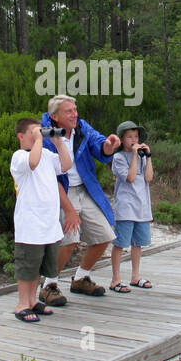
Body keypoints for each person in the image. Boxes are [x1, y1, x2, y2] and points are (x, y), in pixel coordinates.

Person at [37, 95, 121, 304]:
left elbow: (99, 145)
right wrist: (70, 211)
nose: (74, 114)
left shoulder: (81, 128)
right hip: (61, 192)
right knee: (69, 239)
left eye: (75, 109)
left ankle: (80, 277)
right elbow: (51, 178)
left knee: (104, 235)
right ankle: (48, 284)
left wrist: (108, 146)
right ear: (55, 116)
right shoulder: (45, 135)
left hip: (86, 188)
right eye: (69, 111)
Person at [10, 117, 73, 322]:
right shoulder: (19, 157)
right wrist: (39, 139)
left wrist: (58, 142)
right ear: (21, 136)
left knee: (40, 266)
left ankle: (32, 301)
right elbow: (32, 163)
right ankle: (22, 305)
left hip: (48, 224)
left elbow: (66, 165)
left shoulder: (46, 154)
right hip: (30, 225)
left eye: (40, 132)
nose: (39, 136)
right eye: (33, 133)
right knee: (27, 266)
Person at [110, 120, 154, 292]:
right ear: (122, 139)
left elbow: (148, 177)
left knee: (138, 243)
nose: (134, 140)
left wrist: (147, 157)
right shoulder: (118, 157)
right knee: (121, 243)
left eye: (136, 136)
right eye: (129, 137)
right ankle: (115, 279)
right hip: (126, 207)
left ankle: (135, 277)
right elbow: (130, 178)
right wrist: (135, 156)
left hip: (141, 207)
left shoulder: (142, 157)